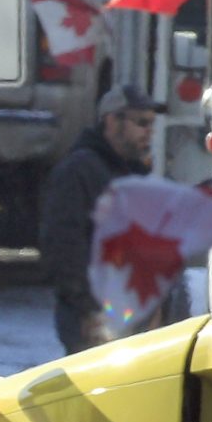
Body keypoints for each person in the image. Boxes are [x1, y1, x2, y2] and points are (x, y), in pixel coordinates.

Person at [40, 83, 163, 353]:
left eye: (152, 124)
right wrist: (89, 310)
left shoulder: (130, 173)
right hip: (94, 321)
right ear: (112, 121)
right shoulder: (80, 171)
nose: (149, 132)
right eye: (141, 123)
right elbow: (63, 245)